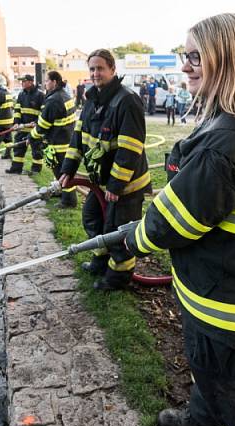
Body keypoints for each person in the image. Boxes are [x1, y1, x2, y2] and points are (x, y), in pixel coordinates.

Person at [126, 14, 235, 426]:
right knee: (208, 370)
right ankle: (202, 418)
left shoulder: (229, 141)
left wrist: (133, 239)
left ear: (228, 59)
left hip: (226, 302)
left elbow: (172, 224)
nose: (185, 65)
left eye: (196, 57)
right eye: (185, 56)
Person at [59, 48, 152, 291]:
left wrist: (116, 185)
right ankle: (100, 262)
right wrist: (68, 168)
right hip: (101, 183)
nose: (95, 73)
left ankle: (118, 278)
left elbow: (129, 149)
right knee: (92, 218)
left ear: (112, 69)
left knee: (117, 232)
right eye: (92, 68)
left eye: (100, 68)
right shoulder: (92, 100)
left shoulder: (127, 101)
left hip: (124, 185)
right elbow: (78, 137)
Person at [28, 71, 77, 207]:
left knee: (61, 172)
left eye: (47, 81)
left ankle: (69, 201)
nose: (45, 83)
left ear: (54, 82)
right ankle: (62, 192)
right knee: (63, 172)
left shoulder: (54, 100)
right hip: (67, 139)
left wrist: (31, 136)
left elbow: (43, 125)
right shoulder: (65, 95)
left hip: (58, 143)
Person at [7, 74, 44, 175]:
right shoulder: (21, 94)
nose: (22, 83)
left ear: (31, 82)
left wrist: (36, 122)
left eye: (24, 81)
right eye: (21, 81)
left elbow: (44, 112)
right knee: (18, 150)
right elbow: (17, 110)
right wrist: (16, 123)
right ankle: (16, 169)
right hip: (22, 128)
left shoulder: (40, 95)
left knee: (36, 151)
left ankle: (36, 170)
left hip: (34, 129)